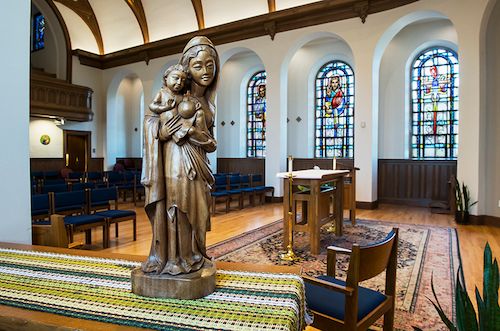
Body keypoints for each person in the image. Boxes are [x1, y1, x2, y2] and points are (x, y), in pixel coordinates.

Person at [141, 36, 218, 276]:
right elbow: (153, 121)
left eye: (210, 64)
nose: (205, 71)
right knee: (178, 206)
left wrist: (193, 132)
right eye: (198, 65)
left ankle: (194, 254)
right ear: (187, 67)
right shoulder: (175, 96)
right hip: (175, 159)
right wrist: (161, 131)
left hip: (199, 161)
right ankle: (175, 259)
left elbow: (211, 142)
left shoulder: (208, 103)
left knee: (199, 209)